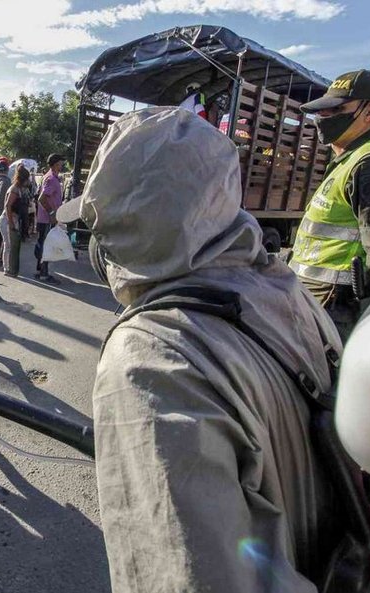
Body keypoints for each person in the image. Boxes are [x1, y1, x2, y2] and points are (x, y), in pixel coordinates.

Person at [57, 107, 342, 592]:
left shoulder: (150, 360)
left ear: (121, 226)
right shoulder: (289, 292)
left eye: (96, 223)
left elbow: (175, 576)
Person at [290, 70, 370, 342]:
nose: (323, 119)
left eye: (335, 110)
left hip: (337, 310)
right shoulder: (350, 159)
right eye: (321, 112)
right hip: (316, 303)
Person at [34, 153, 66, 284]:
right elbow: (41, 198)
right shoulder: (51, 179)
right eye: (61, 162)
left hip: (44, 218)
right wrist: (52, 213)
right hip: (47, 219)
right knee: (46, 246)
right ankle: (43, 274)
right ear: (56, 164)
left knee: (42, 244)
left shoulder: (49, 177)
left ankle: (40, 270)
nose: (62, 165)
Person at [0, 164, 31, 277]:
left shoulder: (21, 189)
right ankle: (7, 268)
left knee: (11, 245)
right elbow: (8, 206)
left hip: (12, 219)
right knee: (8, 245)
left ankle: (10, 267)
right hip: (7, 220)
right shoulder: (14, 189)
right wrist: (11, 223)